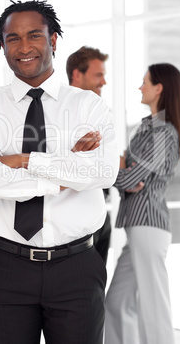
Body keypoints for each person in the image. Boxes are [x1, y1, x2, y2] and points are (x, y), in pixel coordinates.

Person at [0, 0, 119, 344]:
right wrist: (66, 170)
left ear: (54, 40)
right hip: (5, 267)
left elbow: (104, 172)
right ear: (2, 46)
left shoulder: (87, 105)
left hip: (75, 267)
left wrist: (25, 160)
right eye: (12, 38)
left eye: (34, 35)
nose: (24, 46)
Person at [104, 63, 180, 344]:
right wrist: (124, 174)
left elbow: (133, 176)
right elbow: (127, 175)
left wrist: (112, 173)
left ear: (159, 88)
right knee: (117, 302)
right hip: (136, 226)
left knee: (154, 308)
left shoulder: (163, 133)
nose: (140, 87)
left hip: (149, 225)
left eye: (145, 82)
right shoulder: (146, 129)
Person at [66, 45, 111, 264]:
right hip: (74, 222)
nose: (103, 81)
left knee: (96, 289)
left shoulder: (99, 112)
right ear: (77, 74)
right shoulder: (58, 113)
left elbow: (108, 163)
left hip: (100, 213)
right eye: (98, 75)